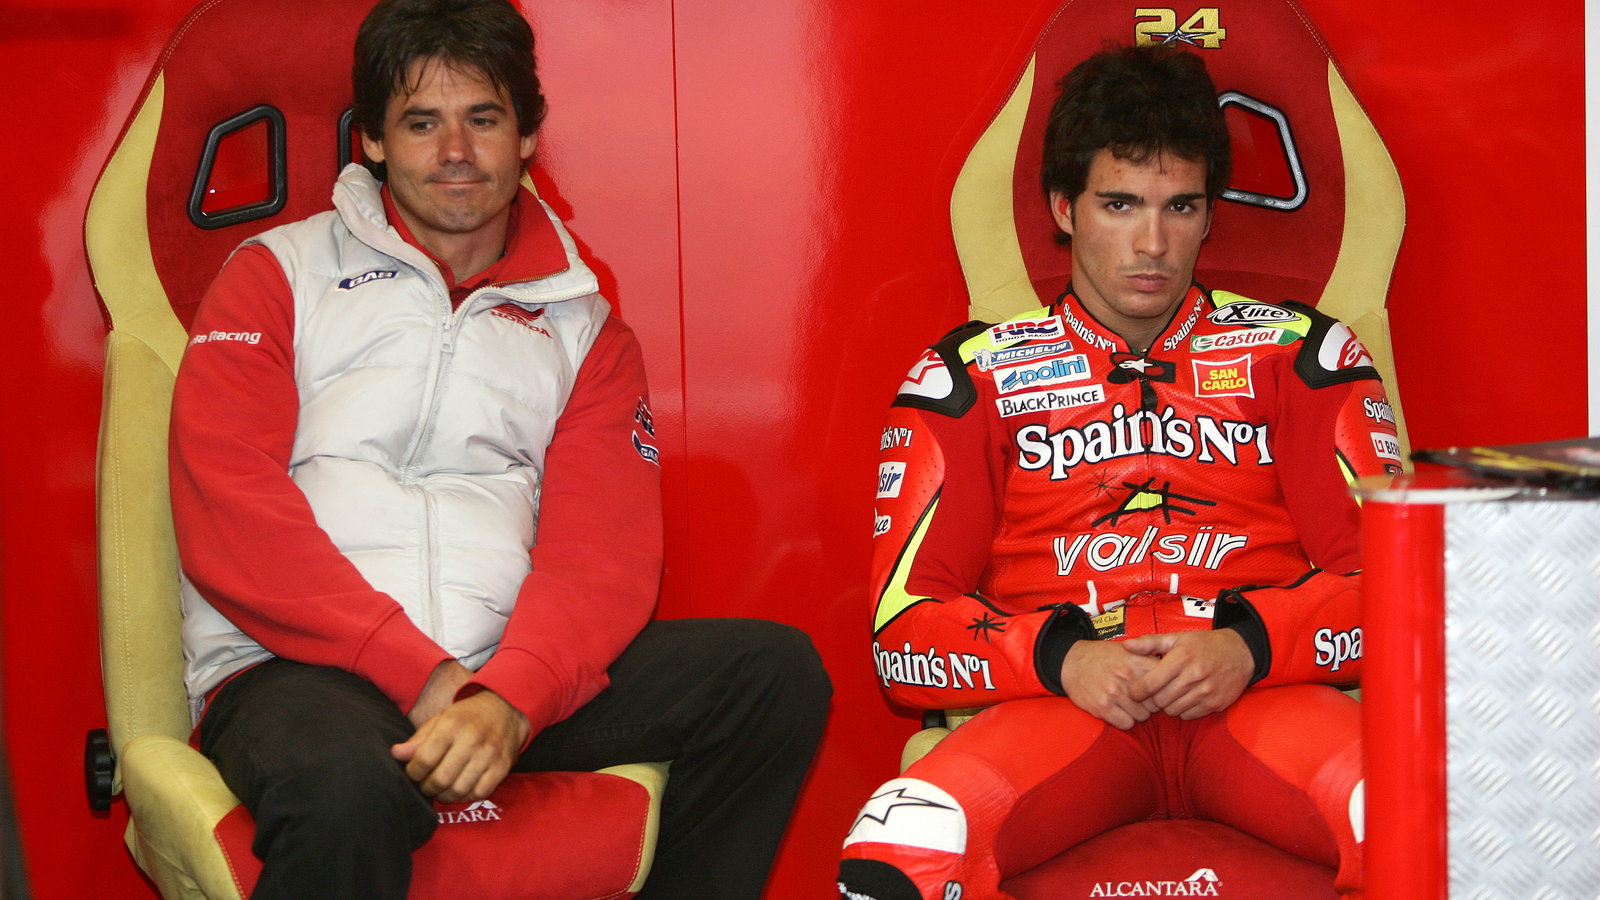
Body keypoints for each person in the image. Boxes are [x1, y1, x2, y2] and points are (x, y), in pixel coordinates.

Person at [169, 1, 829, 896]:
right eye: (420, 123)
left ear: (526, 137)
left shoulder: (585, 328)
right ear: (372, 141)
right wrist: (421, 674)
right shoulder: (274, 274)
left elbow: (602, 557)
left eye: (482, 119)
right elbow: (230, 510)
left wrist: (508, 701)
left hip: (499, 672)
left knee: (771, 676)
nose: (455, 151)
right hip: (301, 671)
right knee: (343, 794)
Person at [837, 45, 1397, 899]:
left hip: (1263, 699)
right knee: (901, 848)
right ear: (1064, 209)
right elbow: (902, 633)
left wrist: (1248, 645)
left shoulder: (1307, 354)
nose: (1152, 243)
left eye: (1181, 207)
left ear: (1210, 216)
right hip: (1060, 709)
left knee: (1437, 826)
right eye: (1120, 203)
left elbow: (1394, 592)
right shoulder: (964, 378)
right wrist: (1062, 659)